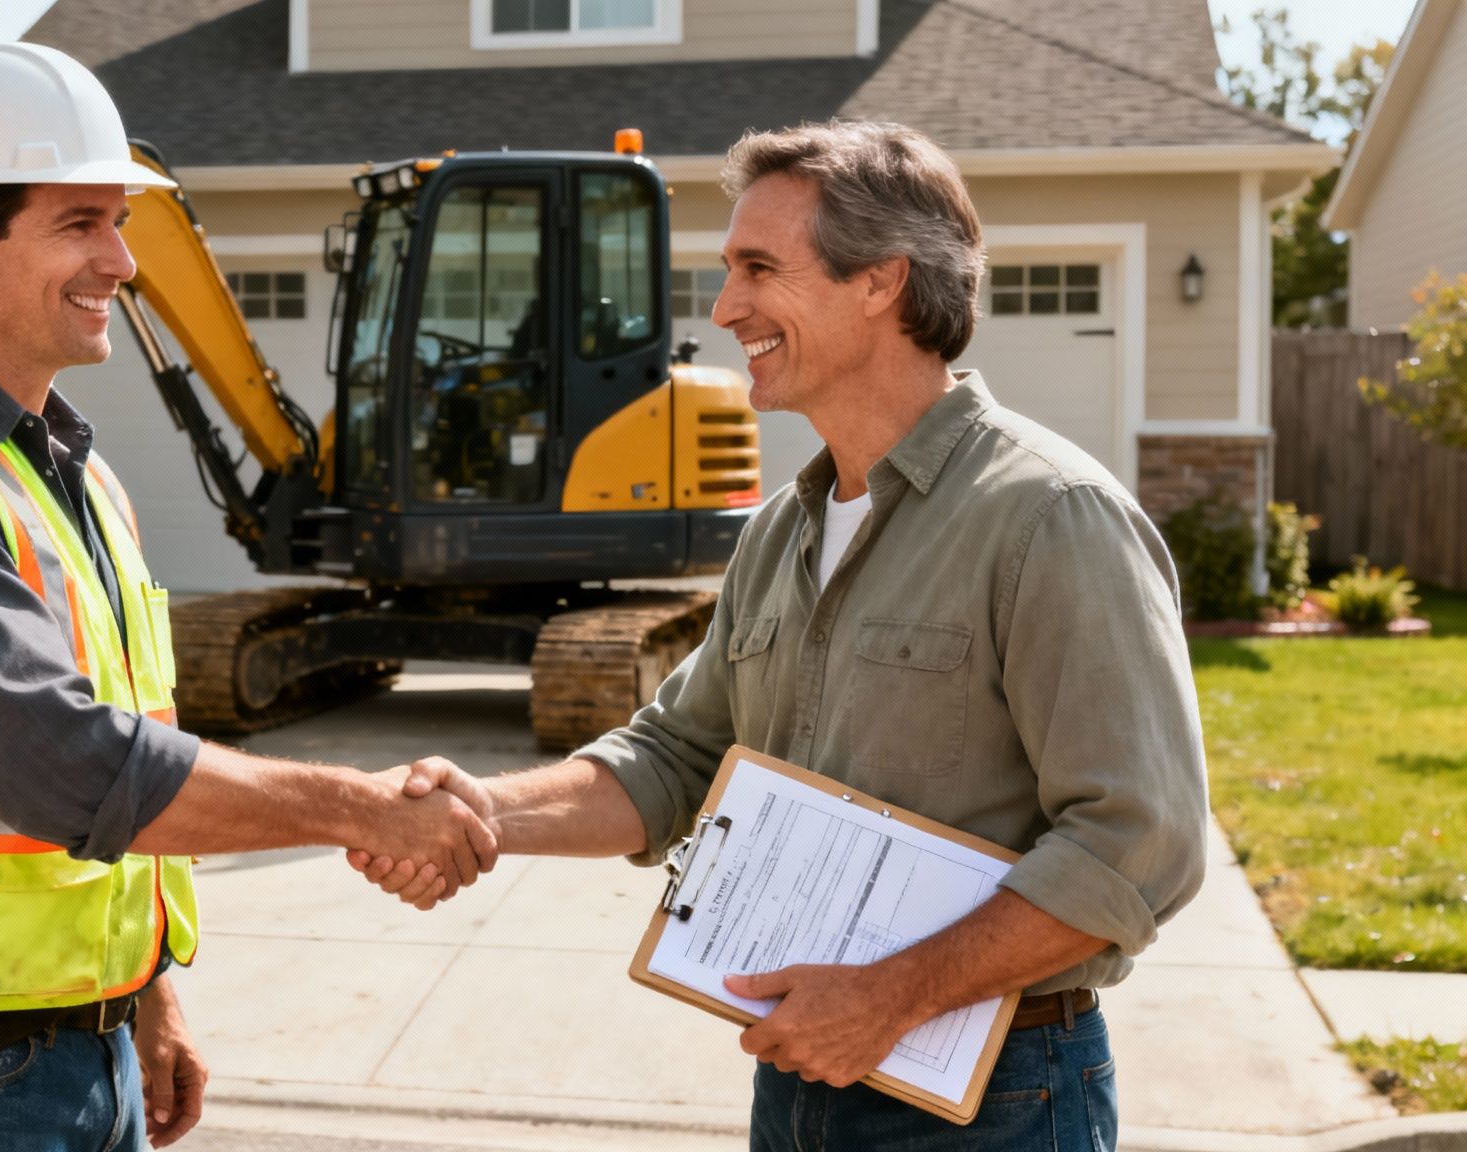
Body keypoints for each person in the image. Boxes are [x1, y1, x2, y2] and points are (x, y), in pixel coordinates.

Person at [351, 120, 1207, 1150]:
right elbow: (675, 757)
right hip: (801, 1075)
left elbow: (1137, 843)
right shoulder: (778, 530)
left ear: (879, 282)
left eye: (758, 268)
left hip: (995, 1095)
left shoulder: (1047, 516)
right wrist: (482, 811)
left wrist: (890, 997)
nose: (722, 309)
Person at [0, 43, 494, 1151]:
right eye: (80, 223)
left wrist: (146, 998)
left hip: (78, 1053)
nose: (122, 262)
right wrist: (363, 809)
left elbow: (128, 754)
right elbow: (67, 764)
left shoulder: (72, 471)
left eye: (120, 222)